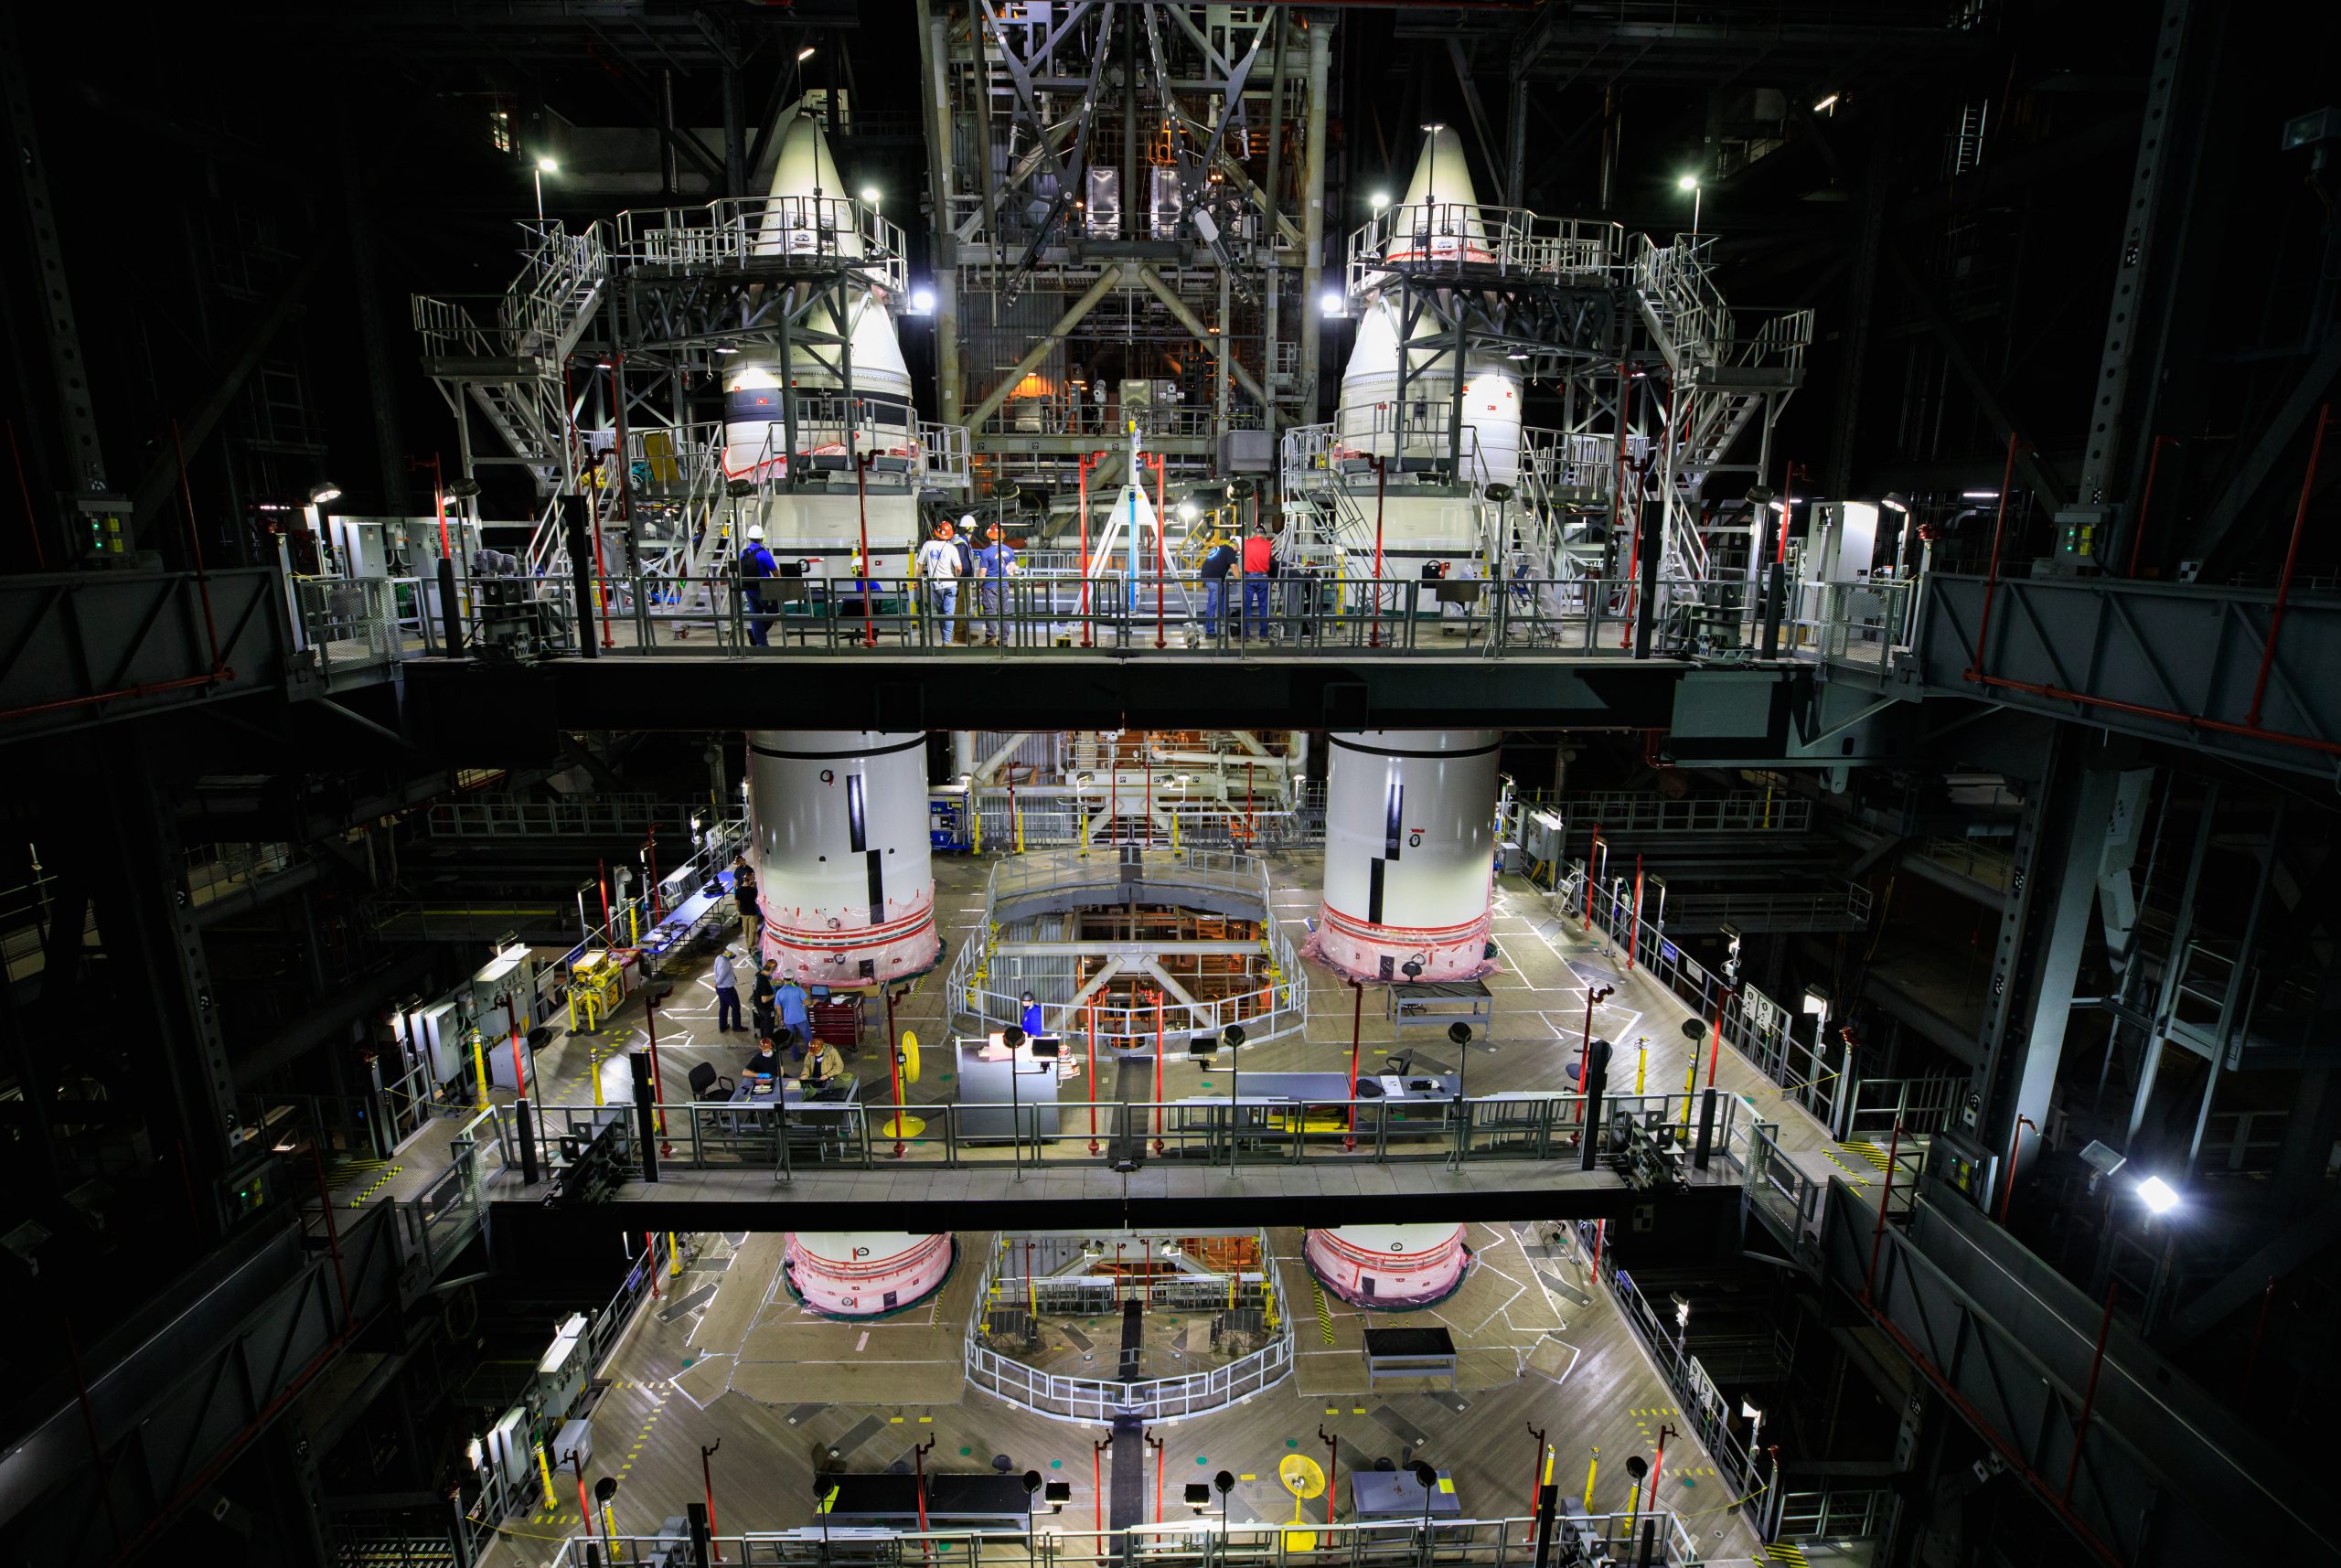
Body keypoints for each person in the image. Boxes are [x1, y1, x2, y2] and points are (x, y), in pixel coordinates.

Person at [916, 517, 963, 640]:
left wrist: (917, 580)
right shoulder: (952, 548)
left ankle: (945, 638)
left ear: (936, 532)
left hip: (935, 585)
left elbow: (920, 565)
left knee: (941, 614)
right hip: (950, 584)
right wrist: (956, 578)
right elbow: (959, 568)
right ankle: (946, 641)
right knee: (949, 614)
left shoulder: (928, 545)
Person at [975, 523, 1019, 645]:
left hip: (990, 586)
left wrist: (980, 585)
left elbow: (983, 572)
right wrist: (1004, 573)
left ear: (990, 537)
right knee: (1004, 612)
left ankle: (991, 639)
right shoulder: (1009, 550)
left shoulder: (986, 552)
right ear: (1002, 537)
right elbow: (1013, 568)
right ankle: (1004, 640)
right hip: (1003, 584)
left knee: (990, 611)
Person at [738, 523, 776, 646]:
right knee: (775, 612)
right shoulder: (763, 553)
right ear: (761, 538)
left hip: (749, 590)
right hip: (764, 590)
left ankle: (761, 643)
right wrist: (781, 584)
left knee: (755, 616)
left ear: (749, 538)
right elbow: (775, 571)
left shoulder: (742, 553)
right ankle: (756, 635)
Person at [1198, 535, 1237, 636]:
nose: (1238, 552)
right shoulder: (1230, 550)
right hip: (1214, 579)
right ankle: (1210, 631)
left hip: (1210, 577)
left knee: (1222, 594)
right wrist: (1238, 579)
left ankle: (1224, 614)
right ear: (1236, 545)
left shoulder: (1220, 548)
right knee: (1212, 604)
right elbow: (1235, 568)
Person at [1241, 523, 1275, 639]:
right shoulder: (1268, 544)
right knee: (1263, 607)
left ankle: (1245, 634)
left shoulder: (1245, 543)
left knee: (1247, 607)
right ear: (1264, 534)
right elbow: (1269, 558)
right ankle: (1264, 634)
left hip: (1249, 577)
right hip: (1263, 577)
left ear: (1253, 533)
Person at [951, 515, 979, 645]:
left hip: (964, 579)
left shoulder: (961, 541)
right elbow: (961, 565)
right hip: (962, 580)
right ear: (969, 529)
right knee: (961, 605)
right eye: (973, 528)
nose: (973, 531)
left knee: (965, 606)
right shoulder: (961, 544)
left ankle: (963, 631)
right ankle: (958, 633)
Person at [775, 974, 811, 1059]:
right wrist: (813, 1001)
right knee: (807, 1037)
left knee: (791, 1039)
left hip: (788, 1020)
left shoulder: (779, 992)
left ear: (783, 979)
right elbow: (807, 1003)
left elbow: (778, 1008)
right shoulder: (798, 989)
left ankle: (795, 1056)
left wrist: (781, 1019)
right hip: (801, 1018)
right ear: (793, 979)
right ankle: (811, 1056)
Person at [711, 946, 743, 1032]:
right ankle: (736, 1027)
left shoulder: (719, 957)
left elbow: (715, 970)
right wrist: (716, 983)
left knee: (723, 1007)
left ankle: (723, 1026)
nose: (735, 956)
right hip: (727, 989)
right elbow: (722, 975)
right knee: (735, 1007)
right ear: (731, 952)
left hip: (721, 989)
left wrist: (716, 982)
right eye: (734, 954)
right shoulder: (725, 962)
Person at [732, 854, 760, 951]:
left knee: (746, 930)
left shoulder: (739, 890)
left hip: (743, 912)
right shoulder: (753, 890)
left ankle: (749, 945)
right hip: (752, 913)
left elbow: (736, 901)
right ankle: (750, 946)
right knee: (751, 930)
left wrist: (738, 911)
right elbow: (756, 898)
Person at [751, 958, 777, 1039]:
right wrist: (775, 995)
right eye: (774, 970)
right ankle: (768, 1046)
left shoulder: (758, 974)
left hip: (758, 1006)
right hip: (766, 1009)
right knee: (768, 1029)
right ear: (771, 970)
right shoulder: (764, 981)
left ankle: (763, 1041)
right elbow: (764, 999)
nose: (773, 972)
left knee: (763, 1024)